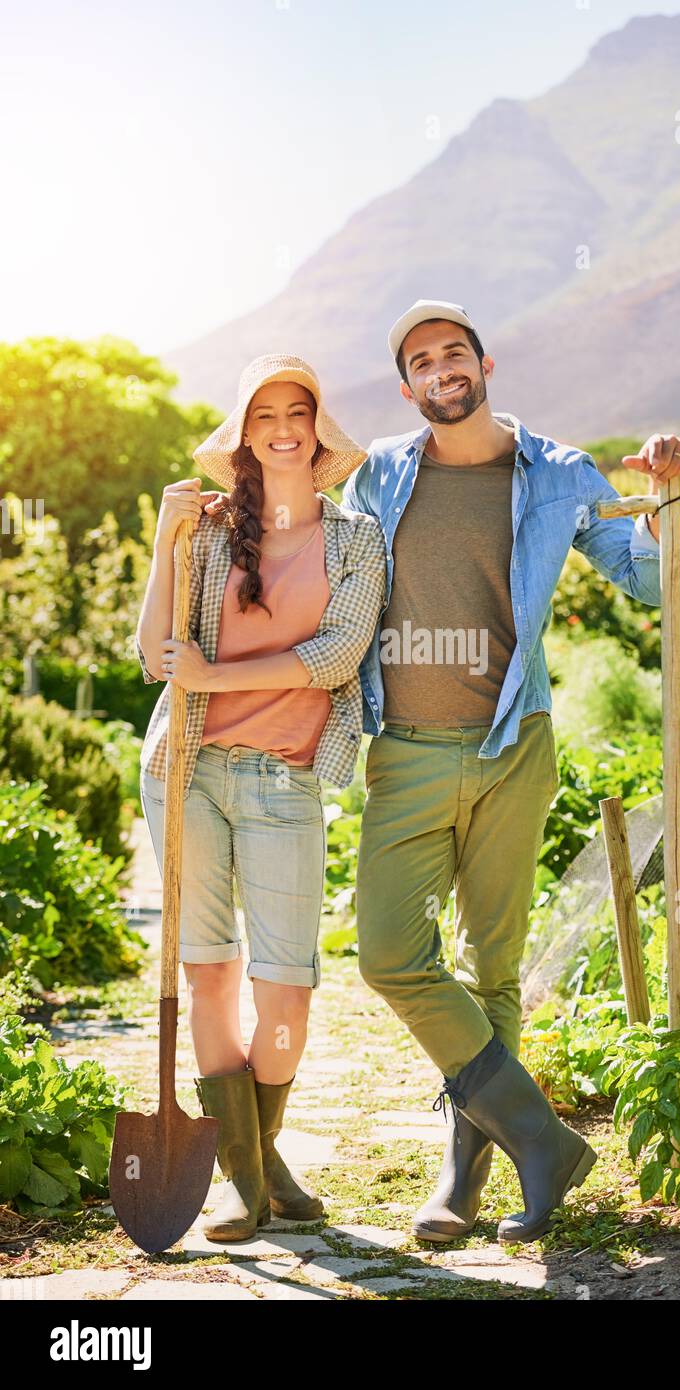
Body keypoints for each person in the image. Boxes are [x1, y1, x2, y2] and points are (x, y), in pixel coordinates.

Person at [342, 299, 680, 1245]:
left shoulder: (558, 471)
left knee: (490, 966)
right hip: (406, 750)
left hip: (512, 748)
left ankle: (461, 1178)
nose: (440, 369)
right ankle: (542, 1138)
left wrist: (662, 500)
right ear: (406, 385)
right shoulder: (376, 476)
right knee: (390, 954)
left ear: (484, 364)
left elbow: (646, 578)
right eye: (421, 360)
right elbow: (319, 572)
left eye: (453, 352)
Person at [135, 354, 386, 1242]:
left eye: (298, 410)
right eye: (264, 413)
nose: (282, 426)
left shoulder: (355, 539)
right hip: (188, 770)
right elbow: (151, 653)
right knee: (211, 972)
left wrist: (220, 669)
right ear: (242, 434)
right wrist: (167, 540)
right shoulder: (206, 534)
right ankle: (244, 1179)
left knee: (288, 991)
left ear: (317, 429)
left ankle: (259, 1149)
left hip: (286, 778)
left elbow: (337, 656)